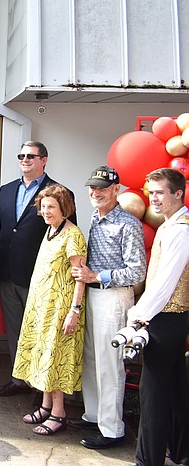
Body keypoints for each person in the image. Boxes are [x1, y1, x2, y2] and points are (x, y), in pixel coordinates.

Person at [0, 141, 75, 397]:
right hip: (6, 274)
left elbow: (65, 235)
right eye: (21, 156)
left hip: (40, 278)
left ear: (44, 160)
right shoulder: (6, 190)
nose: (25, 160)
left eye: (31, 156)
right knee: (16, 330)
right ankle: (18, 379)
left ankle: (41, 388)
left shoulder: (59, 192)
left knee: (40, 332)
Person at [68, 166, 145, 450]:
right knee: (91, 358)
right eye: (93, 187)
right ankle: (94, 415)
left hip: (113, 296)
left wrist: (97, 277)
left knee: (109, 365)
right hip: (92, 294)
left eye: (102, 188)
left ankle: (112, 430)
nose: (95, 192)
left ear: (116, 190)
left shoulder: (128, 223)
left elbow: (137, 272)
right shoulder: (94, 217)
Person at [126, 168, 189, 466]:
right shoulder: (170, 225)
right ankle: (179, 452)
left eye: (160, 192)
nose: (154, 198)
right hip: (168, 318)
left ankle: (147, 460)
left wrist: (138, 316)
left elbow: (165, 283)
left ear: (178, 193)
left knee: (152, 395)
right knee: (176, 387)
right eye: (151, 192)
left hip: (167, 318)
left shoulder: (180, 229)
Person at [12, 184, 87, 436]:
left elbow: (79, 276)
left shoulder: (72, 235)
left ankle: (58, 413)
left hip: (60, 308)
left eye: (51, 207)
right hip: (42, 307)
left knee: (54, 359)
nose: (46, 211)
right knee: (43, 355)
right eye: (43, 207)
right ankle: (45, 406)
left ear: (64, 208)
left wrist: (74, 311)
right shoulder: (51, 231)